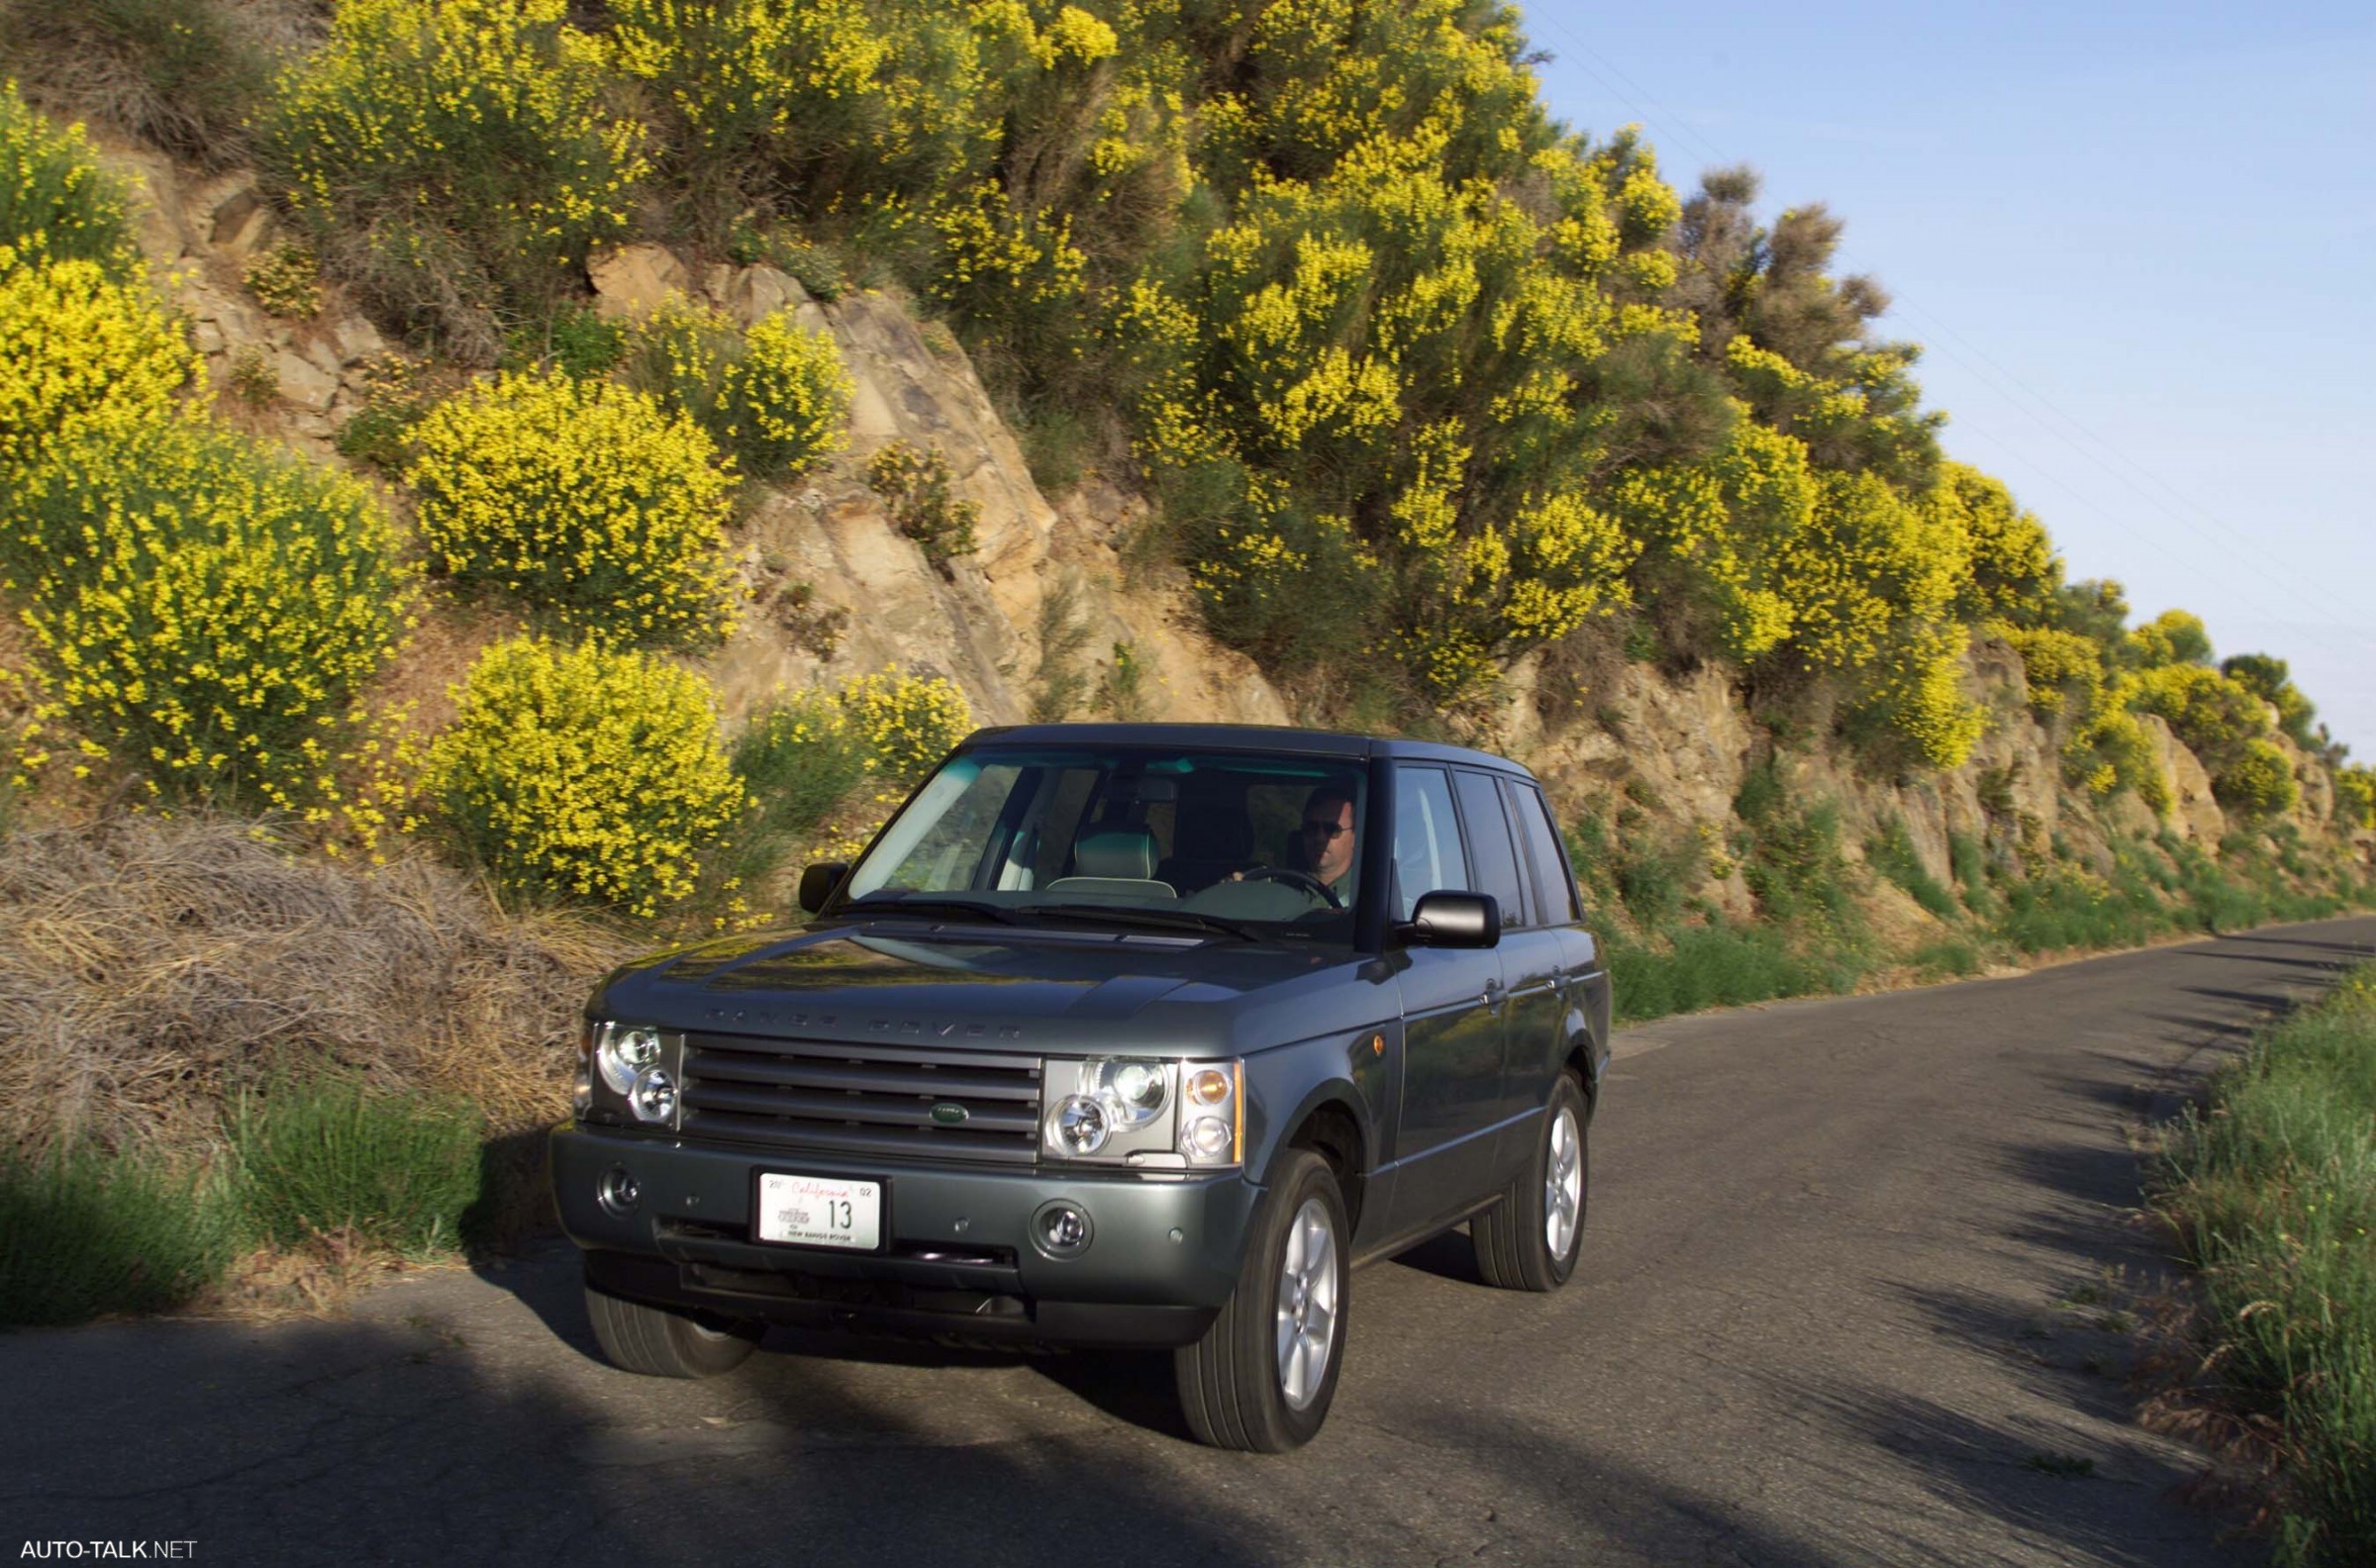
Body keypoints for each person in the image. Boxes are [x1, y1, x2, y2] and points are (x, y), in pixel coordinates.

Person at [1296, 785, 1358, 903]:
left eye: (1332, 829)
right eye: (1312, 828)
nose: (1320, 838)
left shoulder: (1369, 898)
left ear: (1355, 836)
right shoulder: (1277, 890)